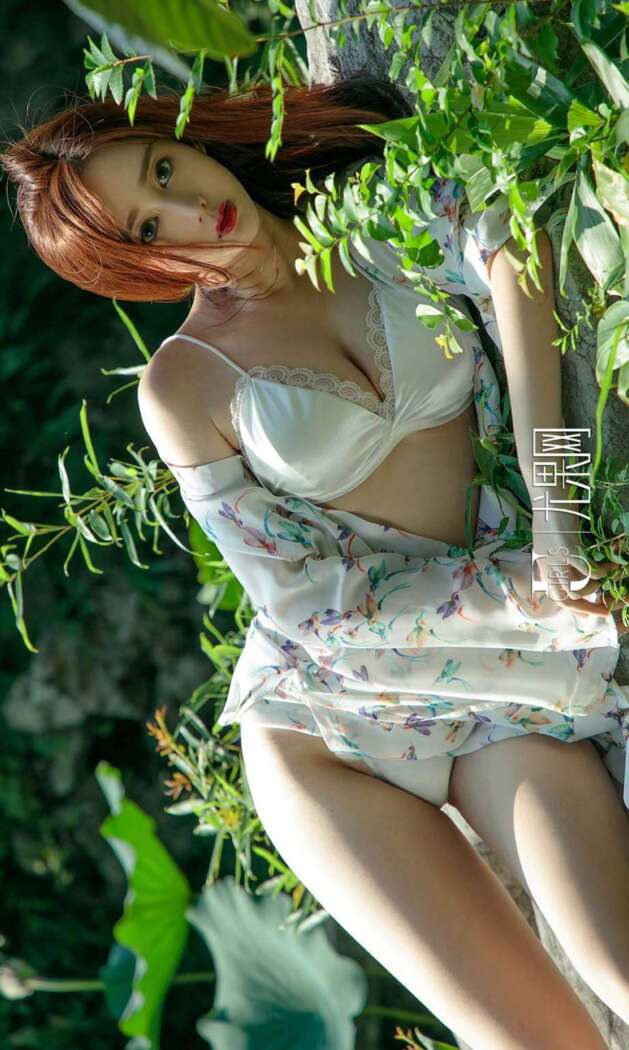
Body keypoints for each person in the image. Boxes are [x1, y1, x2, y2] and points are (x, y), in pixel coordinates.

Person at [3, 74, 628, 1048]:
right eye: (148, 227)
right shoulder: (185, 383)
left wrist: (555, 507)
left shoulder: (362, 215)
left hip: (494, 684)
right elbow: (316, 611)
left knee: (618, 970)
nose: (189, 208)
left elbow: (512, 250)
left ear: (186, 140)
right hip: (331, 736)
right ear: (136, 267)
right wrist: (535, 595)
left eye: (162, 169)